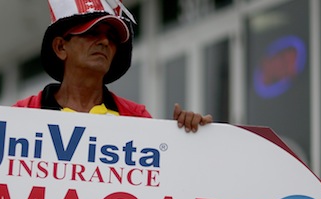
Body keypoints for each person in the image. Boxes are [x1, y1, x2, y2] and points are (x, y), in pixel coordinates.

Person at [14, 0, 212, 132]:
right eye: (92, 32)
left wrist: (188, 136)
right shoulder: (19, 116)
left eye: (112, 36)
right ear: (60, 47)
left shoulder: (137, 119)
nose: (105, 42)